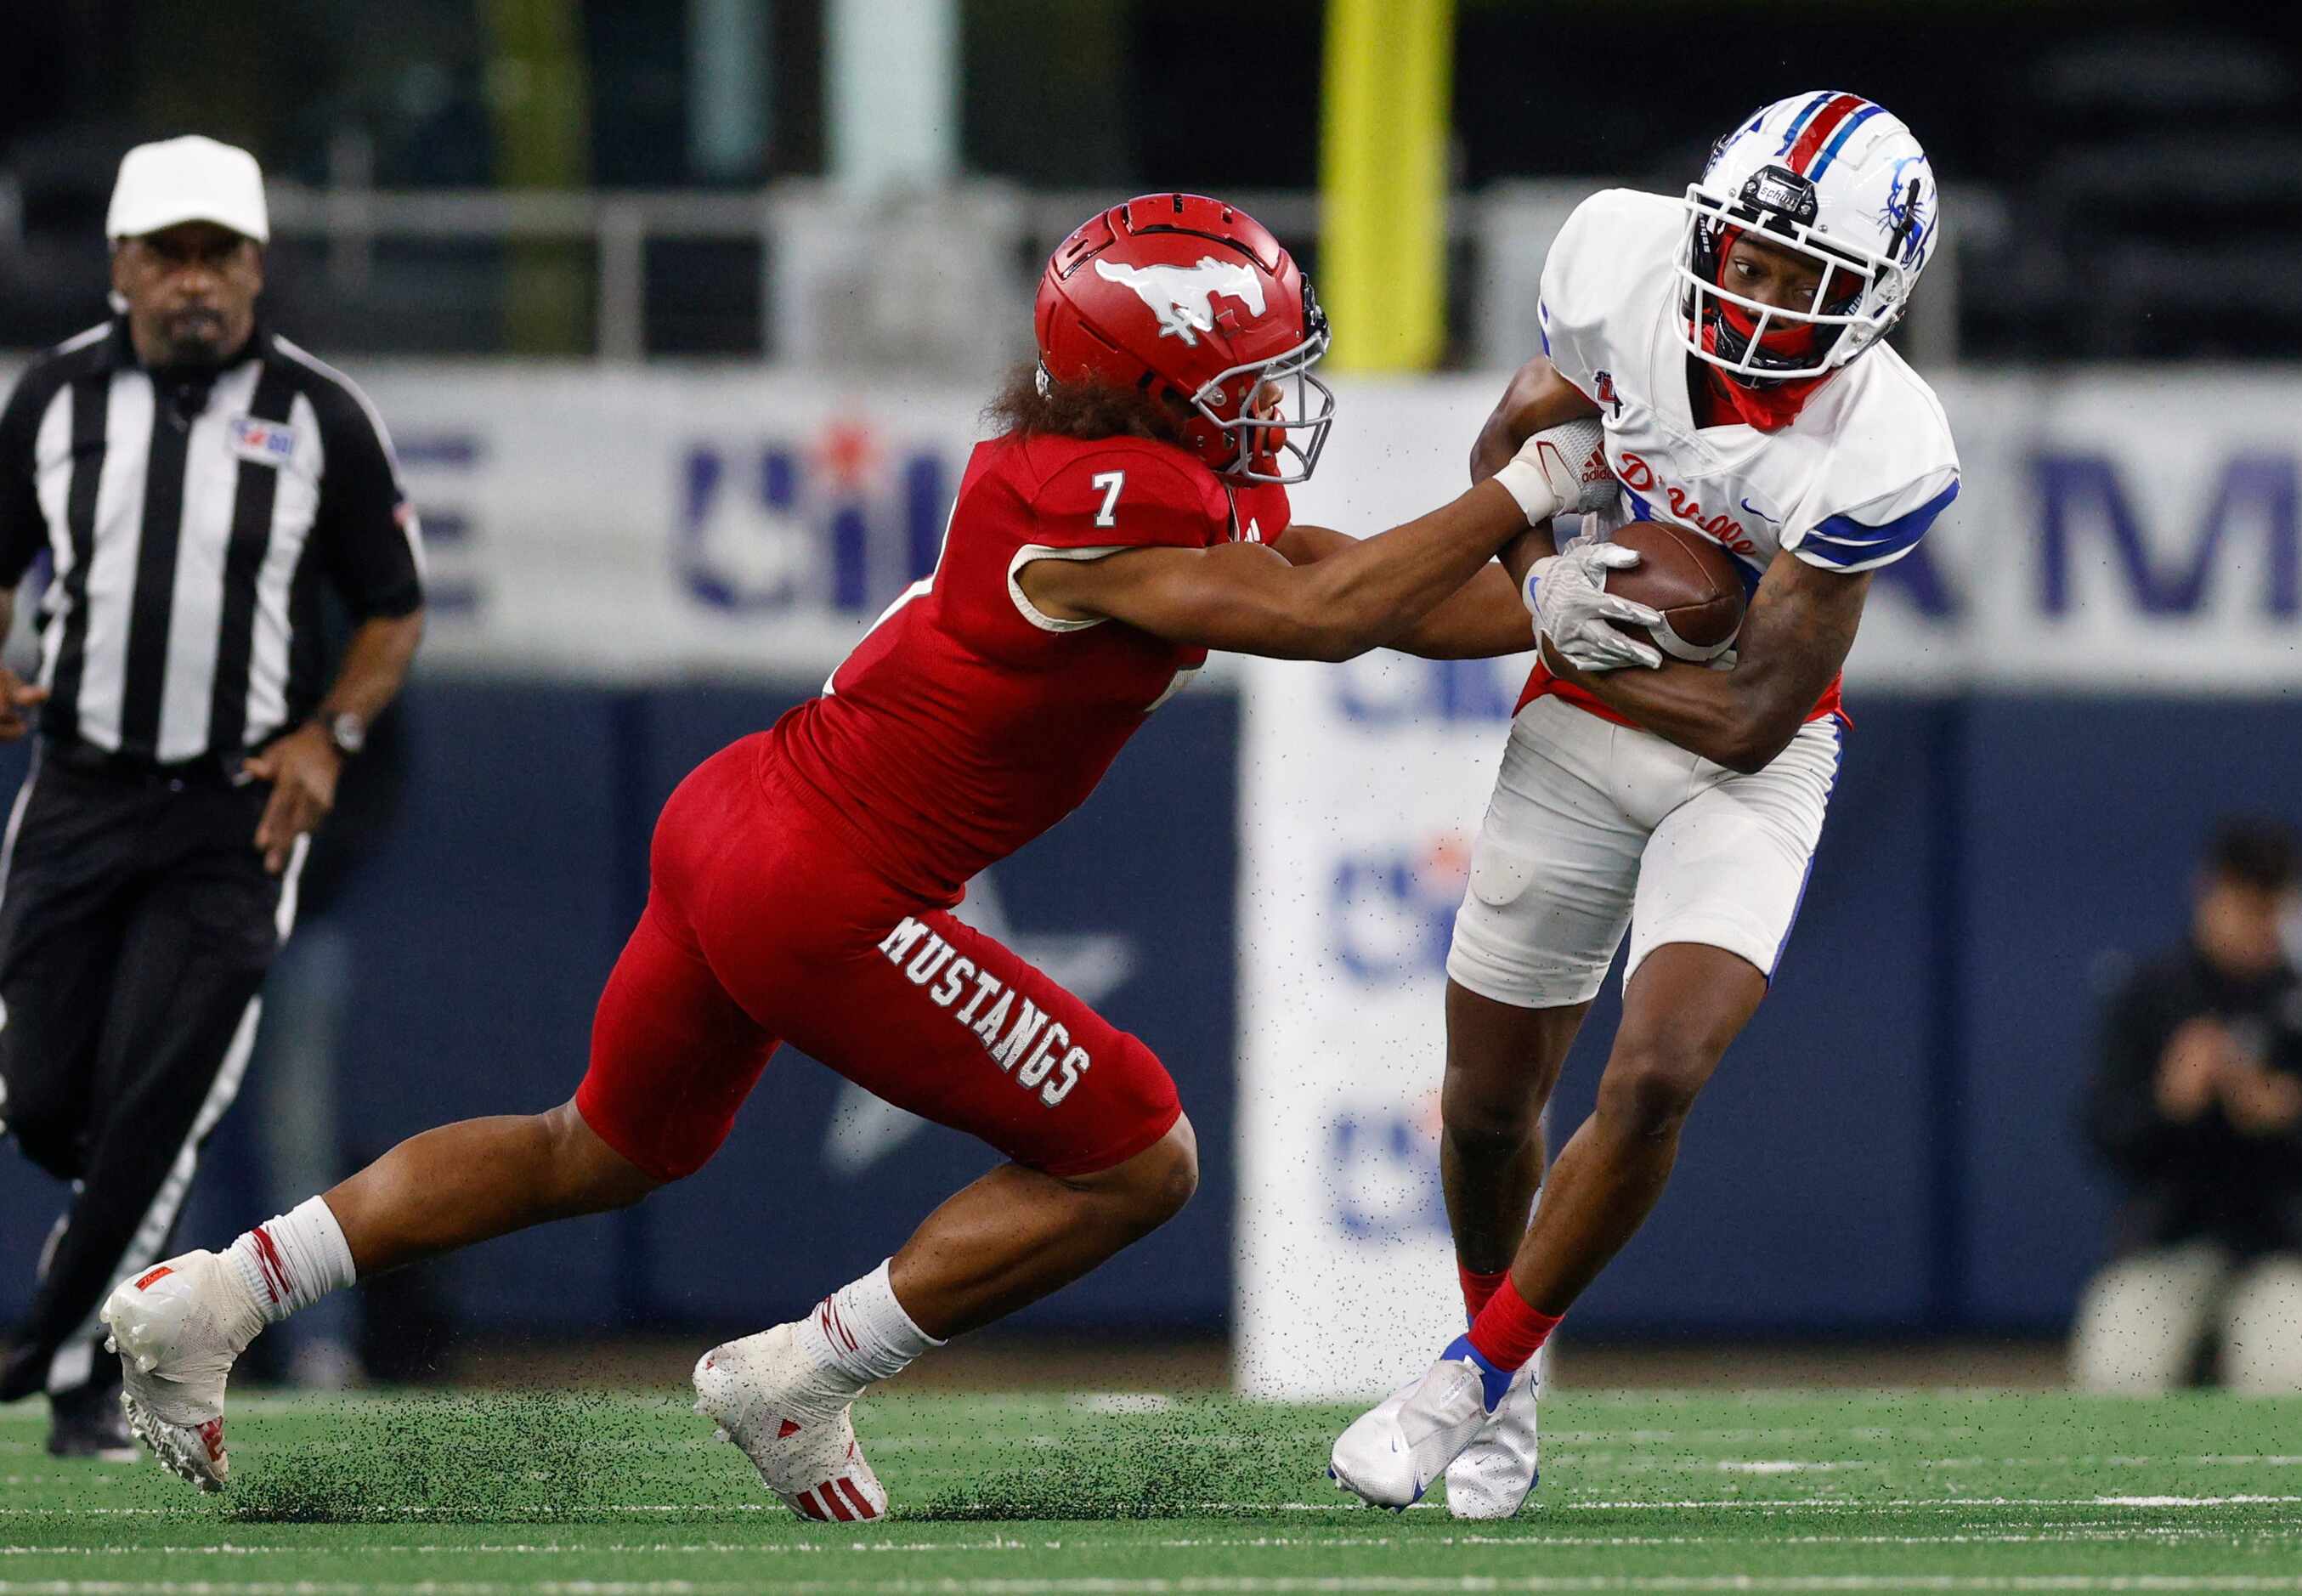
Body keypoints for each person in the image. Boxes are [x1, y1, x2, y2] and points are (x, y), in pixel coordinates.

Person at [99, 193, 1615, 1519]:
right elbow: (1325, 616)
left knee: (602, 1145)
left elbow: (1346, 582)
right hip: (828, 883)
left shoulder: (1125, 464)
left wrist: (1569, 603)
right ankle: (801, 1372)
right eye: (1244, 374)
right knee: (1137, 1153)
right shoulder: (1096, 499)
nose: (1279, 397)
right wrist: (1530, 494)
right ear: (1156, 385)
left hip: (743, 815)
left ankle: (220, 1292)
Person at [1331, 93, 1960, 1514]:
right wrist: (1540, 561)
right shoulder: (1618, 261)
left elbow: (1748, 714)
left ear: (1872, 298)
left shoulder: (1882, 439)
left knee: (1660, 1067)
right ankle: (1509, 1370)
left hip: (1753, 749)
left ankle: (1466, 1378)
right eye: (1739, 253)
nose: (1750, 290)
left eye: (1799, 278)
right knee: (1486, 1108)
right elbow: (1513, 430)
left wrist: (1565, 631)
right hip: (1579, 727)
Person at [0, 136, 425, 1458]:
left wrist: (329, 733)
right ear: (121, 265)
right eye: (168, 255)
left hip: (228, 815)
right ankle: (88, 1321)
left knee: (159, 1105)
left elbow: (394, 609)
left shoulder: (321, 415)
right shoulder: (53, 401)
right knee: (43, 1094)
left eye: (219, 256)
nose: (195, 283)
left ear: (256, 267)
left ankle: (81, 1375)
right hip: (76, 793)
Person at [2070, 818, 2302, 1395]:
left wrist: (2280, 1119)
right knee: (2116, 1377)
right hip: (2164, 1240)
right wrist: (2167, 1103)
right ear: (2209, 891)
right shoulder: (2148, 996)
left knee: (2288, 1381)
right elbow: (2103, 1135)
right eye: (2243, 906)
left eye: (2269, 910)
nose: (2256, 928)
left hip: (2276, 1247)